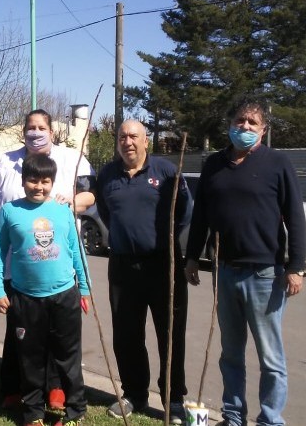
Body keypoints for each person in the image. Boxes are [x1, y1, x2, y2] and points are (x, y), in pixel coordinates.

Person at [184, 96, 306, 426]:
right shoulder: (214, 165)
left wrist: (295, 266)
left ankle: (270, 419)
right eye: (240, 121)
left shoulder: (277, 164)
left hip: (266, 273)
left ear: (263, 129)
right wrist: (192, 257)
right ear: (230, 124)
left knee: (270, 356)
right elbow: (201, 217)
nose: (246, 127)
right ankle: (234, 416)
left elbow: (295, 216)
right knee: (231, 354)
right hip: (224, 271)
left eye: (253, 123)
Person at [0, 109, 96, 411]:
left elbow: (91, 196)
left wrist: (70, 202)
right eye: (31, 127)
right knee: (20, 328)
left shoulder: (71, 158)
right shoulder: (5, 161)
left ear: (51, 132)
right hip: (18, 264)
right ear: (23, 132)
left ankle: (55, 389)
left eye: (42, 127)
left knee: (56, 333)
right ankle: (15, 387)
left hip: (57, 261)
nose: (36, 132)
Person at [95, 119, 192, 424]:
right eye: (122, 137)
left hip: (164, 265)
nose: (128, 142)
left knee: (170, 333)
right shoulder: (108, 175)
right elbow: (107, 214)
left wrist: (161, 241)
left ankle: (174, 400)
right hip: (123, 266)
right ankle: (134, 393)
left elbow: (184, 211)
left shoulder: (165, 172)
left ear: (146, 140)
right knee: (126, 334)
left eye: (134, 136)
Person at [0, 154, 91, 426]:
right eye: (33, 180)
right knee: (30, 358)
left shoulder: (62, 212)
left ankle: (75, 410)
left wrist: (84, 288)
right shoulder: (9, 212)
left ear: (52, 182)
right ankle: (33, 412)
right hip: (25, 297)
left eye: (45, 181)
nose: (39, 187)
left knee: (68, 355)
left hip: (64, 295)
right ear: (23, 181)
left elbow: (75, 251)